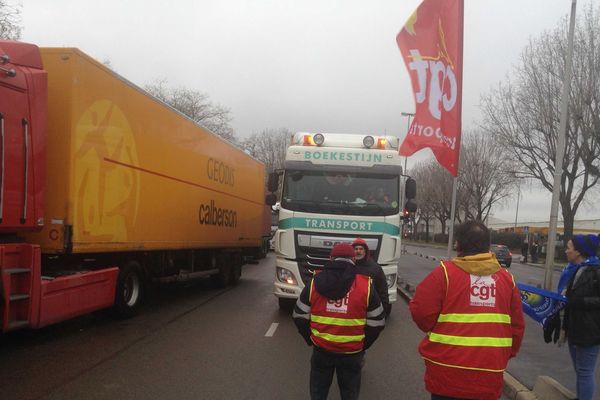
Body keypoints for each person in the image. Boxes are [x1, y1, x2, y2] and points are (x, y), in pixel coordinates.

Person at [409, 221, 525, 400]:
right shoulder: (507, 280)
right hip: (489, 373)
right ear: (488, 245)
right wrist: (502, 354)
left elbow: (421, 311)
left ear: (458, 244)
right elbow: (517, 326)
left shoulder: (445, 274)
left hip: (446, 373)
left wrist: (435, 330)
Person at [292, 242, 386, 400]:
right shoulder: (366, 285)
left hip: (321, 350)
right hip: (352, 353)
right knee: (349, 394)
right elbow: (378, 321)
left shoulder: (315, 282)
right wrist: (362, 344)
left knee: (318, 393)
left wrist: (311, 339)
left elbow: (298, 315)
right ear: (353, 260)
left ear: (331, 258)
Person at [557, 234, 600, 400]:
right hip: (576, 328)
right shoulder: (575, 270)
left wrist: (579, 301)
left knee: (585, 371)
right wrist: (564, 328)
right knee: (580, 370)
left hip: (591, 330)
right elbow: (569, 302)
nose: (566, 251)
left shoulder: (596, 271)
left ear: (579, 252)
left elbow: (576, 301)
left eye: (569, 247)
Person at [352, 237, 390, 316]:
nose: (358, 251)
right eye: (356, 249)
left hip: (369, 310)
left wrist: (384, 311)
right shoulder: (348, 267)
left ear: (365, 251)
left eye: (361, 249)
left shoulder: (375, 268)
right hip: (352, 310)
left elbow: (383, 291)